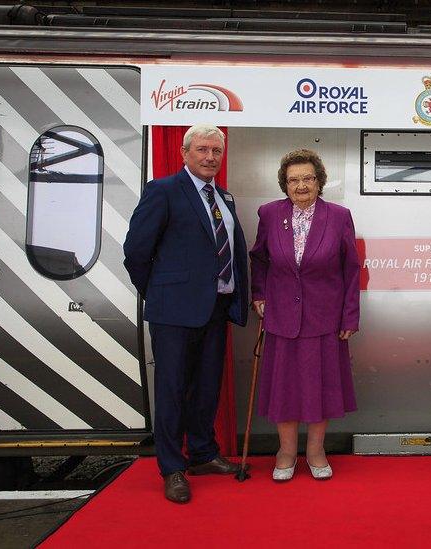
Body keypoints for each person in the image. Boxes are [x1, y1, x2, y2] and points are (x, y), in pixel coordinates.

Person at [123, 124, 248, 504]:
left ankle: (203, 454)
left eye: (216, 151)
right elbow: (136, 252)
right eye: (203, 150)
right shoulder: (163, 190)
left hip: (215, 309)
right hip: (174, 312)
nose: (210, 157)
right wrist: (160, 292)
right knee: (173, 390)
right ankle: (172, 468)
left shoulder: (223, 196)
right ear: (184, 152)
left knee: (207, 388)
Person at [249, 149, 360, 482]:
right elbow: (259, 260)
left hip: (324, 317)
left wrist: (349, 316)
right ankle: (285, 451)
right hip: (282, 315)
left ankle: (315, 450)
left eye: (308, 178)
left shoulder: (339, 216)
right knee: (285, 387)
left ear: (319, 180)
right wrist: (259, 294)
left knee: (320, 387)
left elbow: (351, 269)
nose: (301, 186)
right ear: (284, 183)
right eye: (293, 179)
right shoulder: (269, 214)